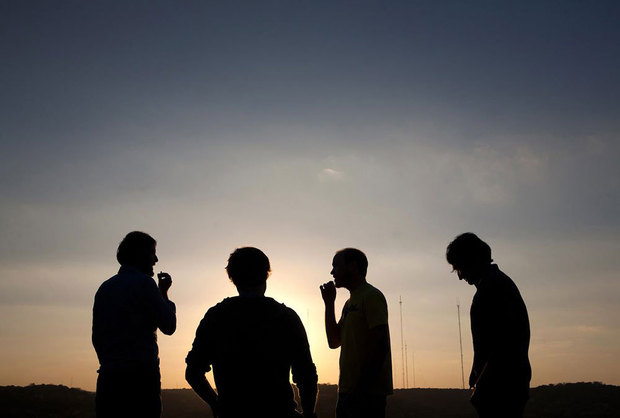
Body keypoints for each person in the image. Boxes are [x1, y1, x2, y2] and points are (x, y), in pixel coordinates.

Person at [185, 247, 318, 418]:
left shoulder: (216, 316)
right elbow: (306, 375)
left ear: (232, 277)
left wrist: (216, 404)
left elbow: (193, 372)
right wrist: (308, 414)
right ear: (266, 274)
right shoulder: (285, 317)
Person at [446, 233, 531, 418]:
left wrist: (483, 382)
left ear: (472, 260)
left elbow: (502, 345)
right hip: (508, 382)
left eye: (459, 267)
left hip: (501, 387)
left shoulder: (492, 289)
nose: (460, 276)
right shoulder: (498, 284)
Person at [92, 231, 176, 418]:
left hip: (109, 379)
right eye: (152, 253)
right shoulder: (145, 284)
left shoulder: (105, 288)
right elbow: (169, 326)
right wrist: (164, 294)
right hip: (140, 380)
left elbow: (97, 336)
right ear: (140, 255)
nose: (156, 260)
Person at [320, 248, 393, 418]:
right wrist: (329, 304)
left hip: (367, 394)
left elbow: (381, 344)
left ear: (352, 266)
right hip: (348, 391)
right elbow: (334, 342)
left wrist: (362, 388)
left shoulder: (372, 296)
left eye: (336, 266)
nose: (332, 272)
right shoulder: (349, 304)